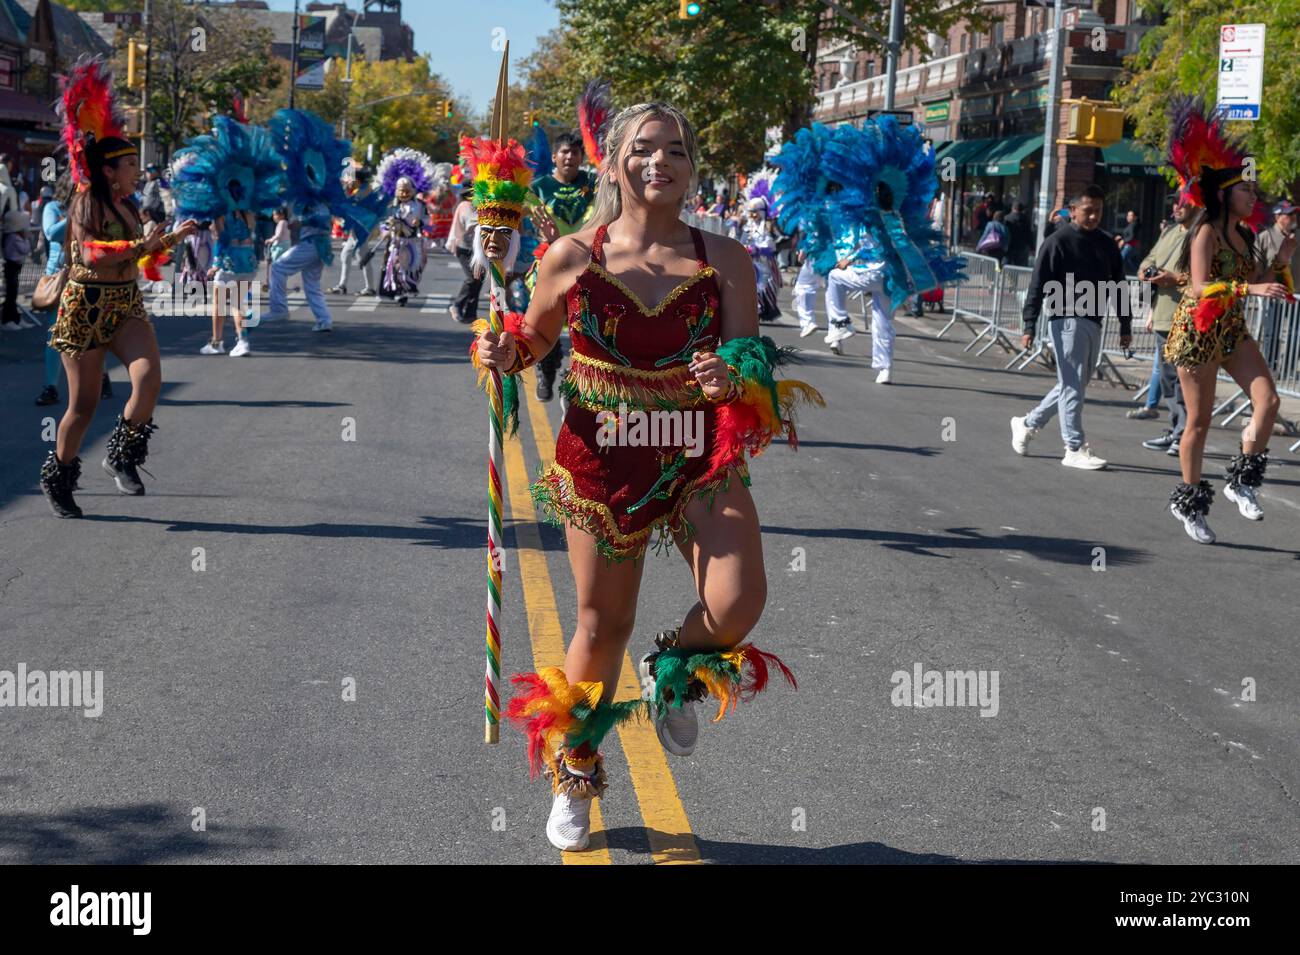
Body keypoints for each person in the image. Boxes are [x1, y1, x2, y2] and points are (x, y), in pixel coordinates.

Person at [471, 103, 816, 853]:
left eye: (675, 150)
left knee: (738, 599)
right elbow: (532, 339)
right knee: (601, 625)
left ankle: (673, 671)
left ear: (693, 168)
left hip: (696, 448)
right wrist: (502, 352)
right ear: (614, 165)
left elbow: (748, 362)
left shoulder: (725, 258)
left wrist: (729, 376)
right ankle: (578, 767)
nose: (659, 162)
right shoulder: (571, 254)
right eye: (642, 149)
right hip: (602, 453)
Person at [38, 58, 200, 517]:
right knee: (83, 406)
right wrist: (138, 243)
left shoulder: (128, 206)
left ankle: (122, 454)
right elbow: (91, 253)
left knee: (148, 378)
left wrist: (169, 239)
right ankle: (59, 475)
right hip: (84, 308)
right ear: (110, 170)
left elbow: (139, 253)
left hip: (124, 304)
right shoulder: (87, 201)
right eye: (131, 164)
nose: (138, 171)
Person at [1161, 97, 1293, 543]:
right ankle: (1191, 503)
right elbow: (1198, 288)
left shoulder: (1245, 234)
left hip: (1231, 329)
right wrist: (1250, 289)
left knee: (1269, 402)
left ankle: (1241, 480)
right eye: (1246, 189)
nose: (1253, 196)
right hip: (1198, 331)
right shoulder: (1204, 231)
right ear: (1223, 193)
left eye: (1253, 190)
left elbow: (1256, 275)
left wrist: (1282, 260)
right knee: (1198, 423)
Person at [1010, 184, 1132, 470]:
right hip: (1065, 318)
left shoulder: (1106, 243)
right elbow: (1037, 285)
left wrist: (1126, 324)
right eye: (1088, 211)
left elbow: (1118, 285)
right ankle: (1073, 447)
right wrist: (1029, 324)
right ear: (1073, 210)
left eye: (1099, 211)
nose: (1093, 217)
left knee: (1073, 384)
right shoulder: (1057, 241)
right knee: (1073, 384)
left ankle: (1027, 424)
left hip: (1094, 319)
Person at [529, 131, 599, 401]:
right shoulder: (539, 187)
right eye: (565, 152)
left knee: (585, 325)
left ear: (581, 156)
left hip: (588, 262)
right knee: (546, 320)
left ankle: (576, 381)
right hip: (549, 262)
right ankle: (546, 371)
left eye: (575, 152)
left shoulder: (593, 183)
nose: (570, 157)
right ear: (555, 156)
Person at [1133, 197, 1193, 436]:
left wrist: (1175, 279)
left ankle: (1185, 434)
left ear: (1197, 203)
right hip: (1162, 316)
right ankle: (1177, 428)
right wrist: (1147, 274)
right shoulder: (1168, 232)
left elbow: (1208, 276)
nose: (1176, 207)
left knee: (1184, 381)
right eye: (1174, 203)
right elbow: (1148, 261)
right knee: (1168, 380)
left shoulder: (1203, 233)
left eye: (1183, 203)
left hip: (1187, 318)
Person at [446, 185, 480, 323]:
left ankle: (471, 313)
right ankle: (457, 305)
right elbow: (471, 223)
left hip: (480, 250)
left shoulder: (486, 206)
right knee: (472, 278)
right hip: (464, 248)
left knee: (478, 281)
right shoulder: (465, 206)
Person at [1004, 201, 1033, 266]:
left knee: (1007, 265)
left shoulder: (1007, 218)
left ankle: (1006, 276)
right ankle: (1015, 276)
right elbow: (1029, 234)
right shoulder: (1025, 219)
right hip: (1021, 246)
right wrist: (1032, 247)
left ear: (1012, 208)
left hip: (1009, 246)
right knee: (1018, 266)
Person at [1117, 210, 1142, 275]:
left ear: (1135, 217)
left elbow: (1132, 236)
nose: (1128, 217)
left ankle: (1117, 277)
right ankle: (1143, 277)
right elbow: (1129, 235)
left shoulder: (1134, 225)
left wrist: (1123, 241)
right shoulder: (1132, 225)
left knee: (1120, 261)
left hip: (1130, 246)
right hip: (1131, 247)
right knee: (1134, 264)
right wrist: (1121, 238)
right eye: (1127, 215)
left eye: (1130, 215)